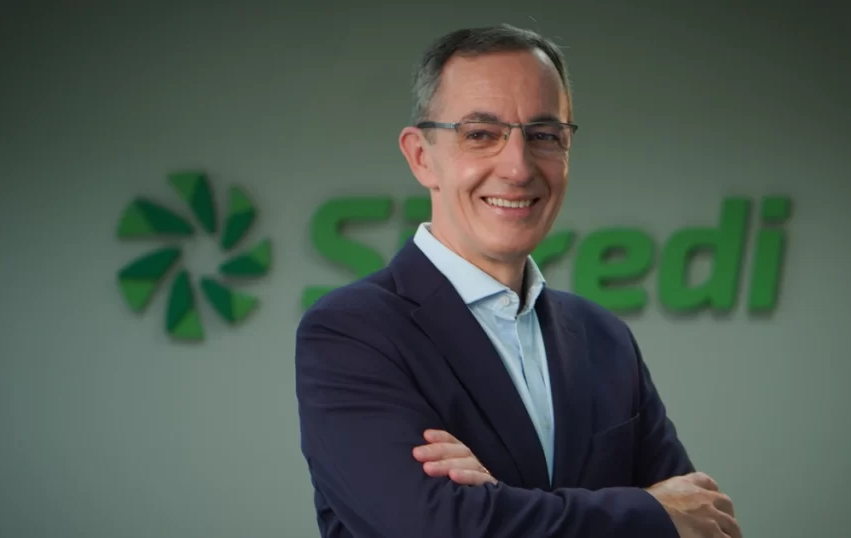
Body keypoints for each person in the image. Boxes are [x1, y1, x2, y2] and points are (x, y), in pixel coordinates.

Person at [294, 24, 741, 538]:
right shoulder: (353, 331)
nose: (518, 167)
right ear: (421, 156)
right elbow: (432, 528)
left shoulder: (606, 339)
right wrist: (648, 513)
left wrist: (497, 507)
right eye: (480, 134)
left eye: (544, 135)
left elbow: (704, 523)